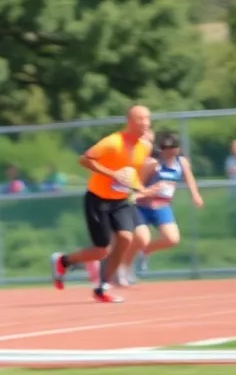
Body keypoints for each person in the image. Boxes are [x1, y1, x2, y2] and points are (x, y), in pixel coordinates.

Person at [50, 105, 157, 303]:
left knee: (126, 238)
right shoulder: (113, 142)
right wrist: (112, 174)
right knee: (101, 250)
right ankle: (63, 261)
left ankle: (103, 287)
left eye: (147, 119)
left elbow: (132, 173)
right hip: (97, 199)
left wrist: (139, 188)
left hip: (121, 200)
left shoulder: (145, 147)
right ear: (130, 122)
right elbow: (83, 159)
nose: (144, 123)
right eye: (140, 119)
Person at [120, 130, 203, 280]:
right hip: (142, 207)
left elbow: (189, 178)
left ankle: (145, 252)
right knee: (141, 238)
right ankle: (124, 267)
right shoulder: (152, 164)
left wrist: (195, 194)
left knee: (172, 239)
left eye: (173, 148)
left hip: (162, 206)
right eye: (166, 149)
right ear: (161, 149)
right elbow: (136, 187)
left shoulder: (181, 162)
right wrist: (150, 191)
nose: (170, 152)